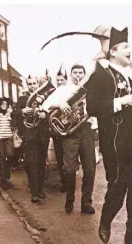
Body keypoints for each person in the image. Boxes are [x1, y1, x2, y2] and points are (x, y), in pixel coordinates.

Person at [86, 27, 132, 244]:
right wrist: (119, 102)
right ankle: (106, 220)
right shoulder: (100, 75)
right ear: (113, 51)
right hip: (115, 141)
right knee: (118, 186)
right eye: (125, 47)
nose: (129, 50)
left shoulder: (131, 76)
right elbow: (92, 107)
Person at [42, 64, 96, 215]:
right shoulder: (63, 89)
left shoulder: (90, 90)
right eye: (75, 72)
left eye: (81, 72)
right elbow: (45, 105)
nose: (78, 75)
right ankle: (70, 199)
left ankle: (86, 203)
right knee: (69, 169)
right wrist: (60, 103)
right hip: (70, 132)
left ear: (84, 75)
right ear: (71, 75)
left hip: (86, 129)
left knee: (90, 169)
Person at [12, 75, 50, 203]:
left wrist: (45, 115)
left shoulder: (45, 98)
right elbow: (14, 114)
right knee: (31, 163)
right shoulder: (23, 99)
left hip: (43, 135)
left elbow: (52, 113)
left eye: (34, 83)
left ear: (38, 84)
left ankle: (40, 189)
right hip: (29, 135)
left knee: (41, 163)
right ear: (27, 85)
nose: (32, 86)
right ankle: (34, 192)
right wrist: (23, 111)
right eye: (30, 84)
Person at [0, 97, 14, 190]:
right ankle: (4, 178)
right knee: (2, 157)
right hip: (0, 138)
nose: (4, 105)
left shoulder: (9, 114)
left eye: (6, 104)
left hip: (8, 137)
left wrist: (11, 116)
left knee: (10, 155)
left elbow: (14, 124)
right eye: (2, 104)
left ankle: (6, 175)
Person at [51, 66, 68, 192]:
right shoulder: (53, 94)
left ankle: (69, 181)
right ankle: (64, 182)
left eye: (62, 80)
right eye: (58, 80)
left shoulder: (69, 92)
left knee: (68, 157)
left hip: (68, 126)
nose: (60, 83)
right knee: (59, 157)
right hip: (57, 128)